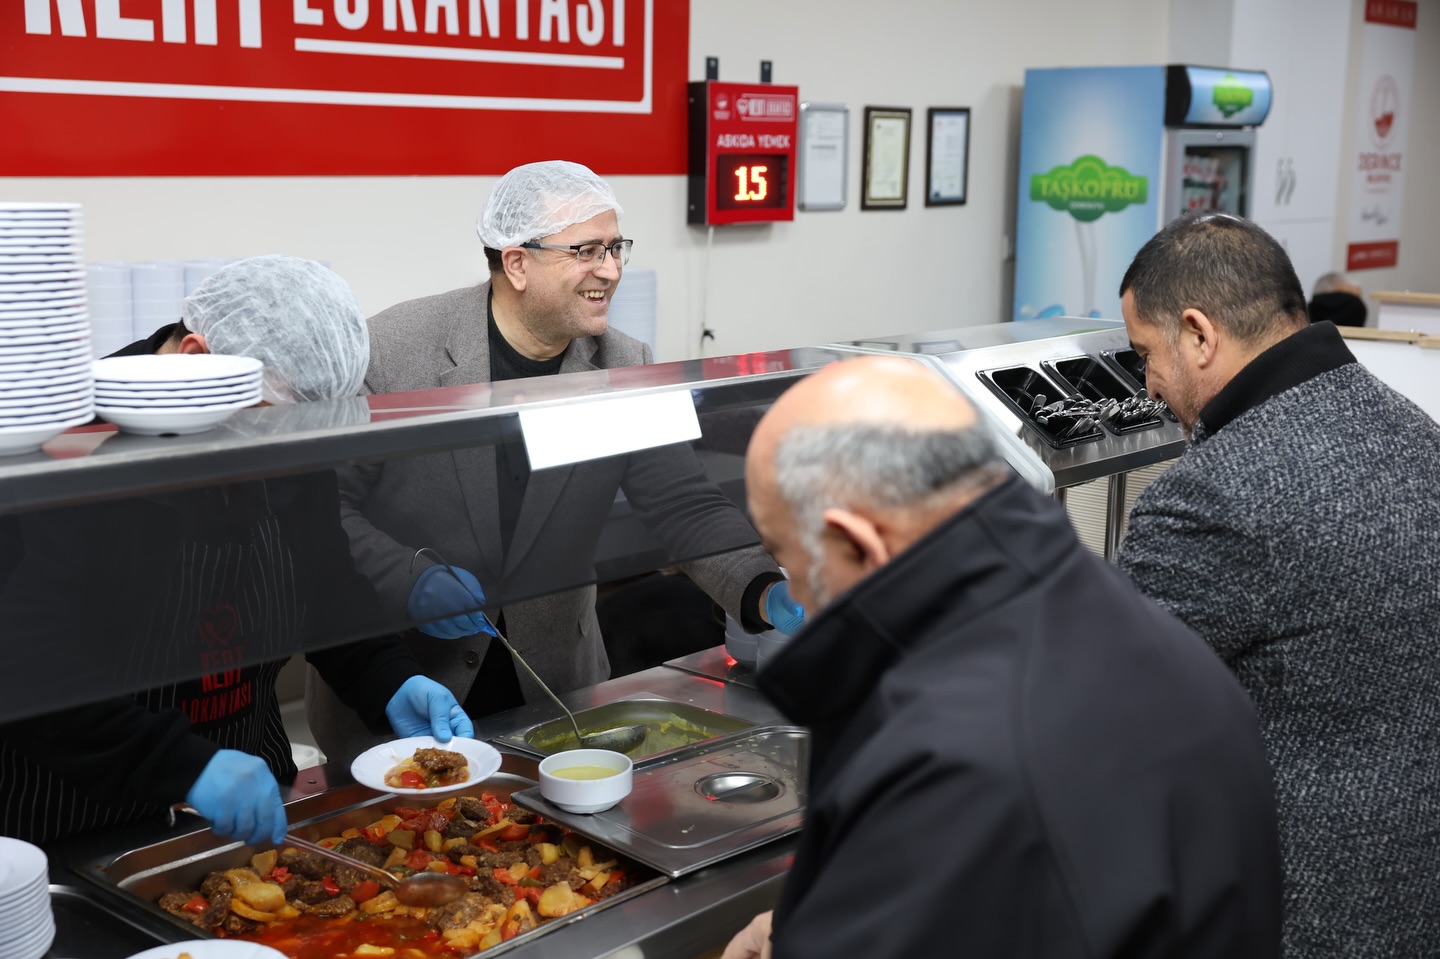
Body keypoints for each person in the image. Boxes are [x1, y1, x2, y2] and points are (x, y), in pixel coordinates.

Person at [722, 355, 1283, 959]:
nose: (796, 593)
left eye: (789, 559)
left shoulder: (946, 764)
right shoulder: (1135, 629)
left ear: (857, 544)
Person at [308, 161, 801, 759]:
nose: (612, 271)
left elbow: (681, 503)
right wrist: (410, 580)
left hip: (554, 687)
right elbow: (325, 510)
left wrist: (762, 589)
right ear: (517, 262)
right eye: (587, 250)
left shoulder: (623, 363)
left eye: (616, 247)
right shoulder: (394, 352)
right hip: (411, 690)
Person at [0, 256, 472, 848]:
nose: (289, 454)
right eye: (271, 423)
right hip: (76, 826)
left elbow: (325, 585)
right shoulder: (63, 447)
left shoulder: (287, 430)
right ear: (196, 361)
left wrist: (389, 676)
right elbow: (25, 663)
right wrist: (183, 765)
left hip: (254, 799)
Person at [1114, 213, 1440, 957]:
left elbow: (1108, 715)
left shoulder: (1211, 495)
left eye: (1146, 354)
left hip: (1297, 913)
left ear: (1198, 334)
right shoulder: (1412, 427)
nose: (1147, 384)